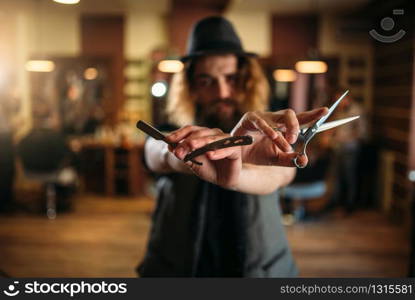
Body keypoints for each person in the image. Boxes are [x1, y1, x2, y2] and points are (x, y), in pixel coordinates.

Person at [137, 16, 327, 277]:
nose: (222, 92)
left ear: (247, 79)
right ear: (191, 87)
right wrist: (184, 153)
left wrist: (240, 168)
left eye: (231, 78)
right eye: (207, 81)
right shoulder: (174, 128)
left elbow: (283, 172)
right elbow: (154, 153)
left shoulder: (268, 134)